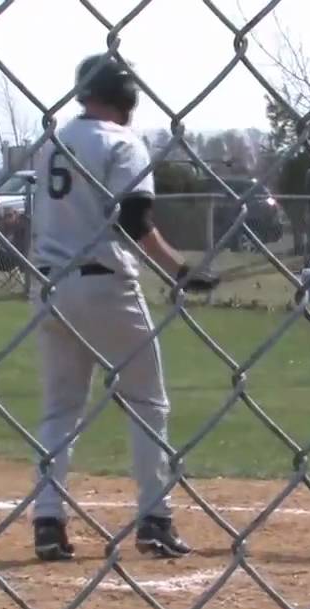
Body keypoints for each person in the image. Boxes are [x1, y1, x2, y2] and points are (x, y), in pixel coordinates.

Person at [28, 53, 220, 562]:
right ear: (127, 95)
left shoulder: (51, 143)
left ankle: (47, 522)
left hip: (48, 286)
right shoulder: (122, 142)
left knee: (60, 408)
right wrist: (179, 268)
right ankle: (155, 519)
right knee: (147, 402)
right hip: (105, 284)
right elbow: (131, 220)